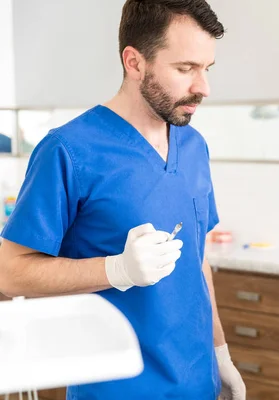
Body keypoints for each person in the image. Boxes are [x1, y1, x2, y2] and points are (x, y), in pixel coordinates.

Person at [0, 1, 245, 399]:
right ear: (134, 62)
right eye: (185, 69)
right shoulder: (69, 150)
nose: (203, 87)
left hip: (198, 383)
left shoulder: (194, 146)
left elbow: (198, 260)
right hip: (115, 387)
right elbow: (10, 273)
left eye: (206, 69)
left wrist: (219, 352)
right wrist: (115, 270)